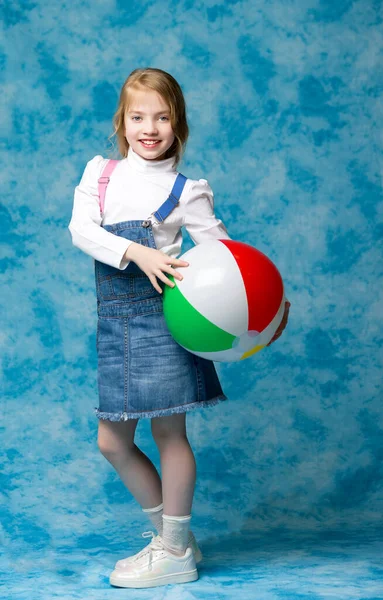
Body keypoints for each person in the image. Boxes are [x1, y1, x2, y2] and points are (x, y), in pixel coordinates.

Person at [68, 67, 290, 589]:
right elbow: (81, 231)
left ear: (178, 124)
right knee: (112, 441)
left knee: (170, 433)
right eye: (138, 116)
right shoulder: (99, 174)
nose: (150, 127)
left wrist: (267, 310)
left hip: (167, 323)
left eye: (163, 117)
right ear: (122, 123)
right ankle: (174, 541)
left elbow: (227, 259)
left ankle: (172, 548)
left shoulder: (187, 190)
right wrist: (137, 250)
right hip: (116, 326)